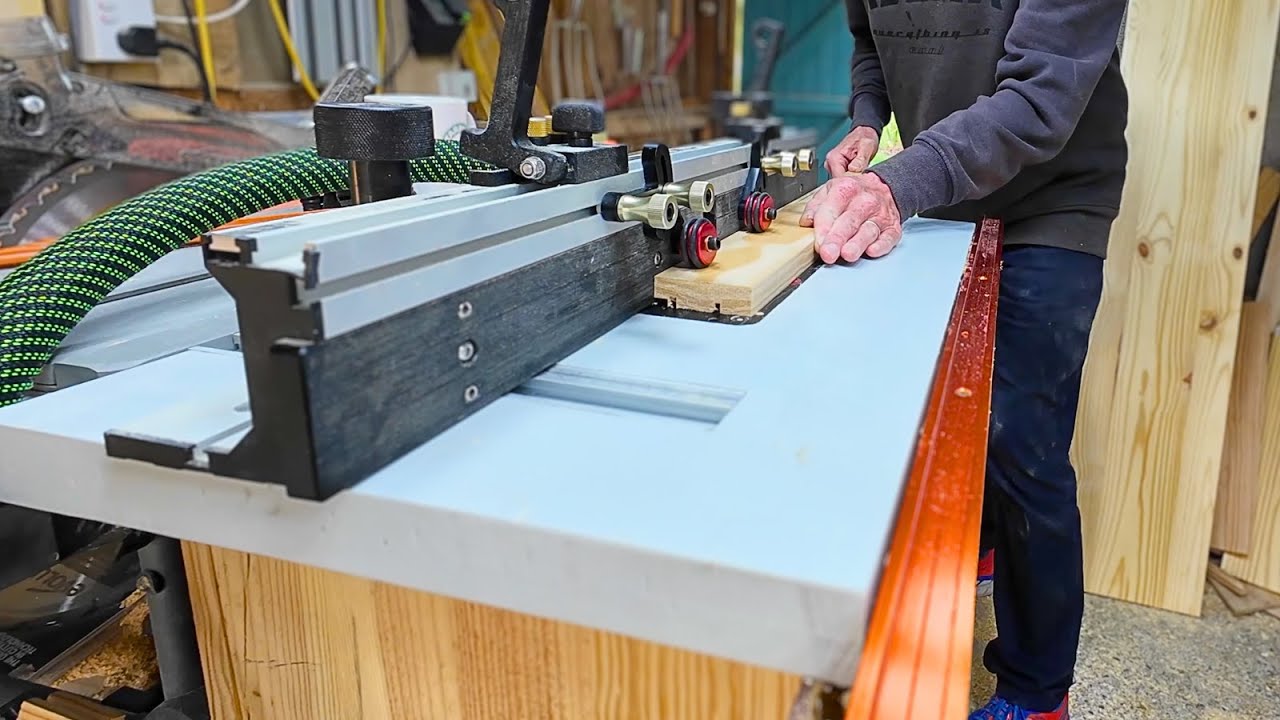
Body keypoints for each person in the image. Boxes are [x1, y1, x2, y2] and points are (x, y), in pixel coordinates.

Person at [802, 2, 1129, 719]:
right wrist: (869, 119)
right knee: (943, 411)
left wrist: (897, 183)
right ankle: (983, 543)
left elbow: (1041, 97)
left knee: (1024, 445)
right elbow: (869, 40)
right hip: (943, 191)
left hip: (1050, 200)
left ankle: (1036, 691)